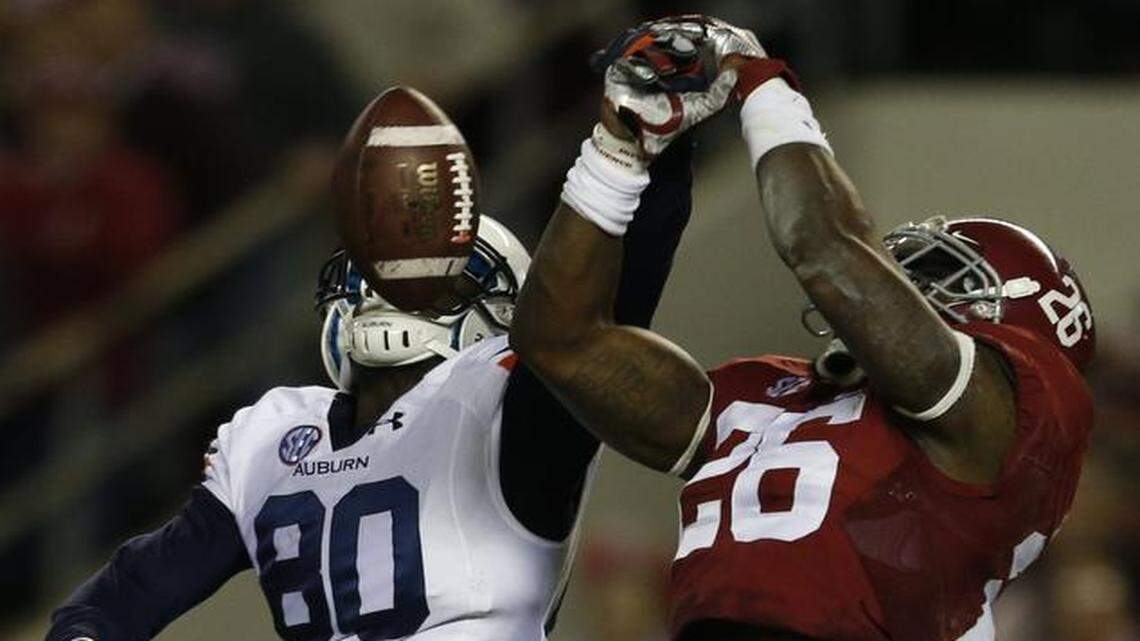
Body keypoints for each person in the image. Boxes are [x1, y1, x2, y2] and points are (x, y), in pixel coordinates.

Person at [512, 16, 1095, 641]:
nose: (900, 287)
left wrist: (761, 81)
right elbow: (558, 341)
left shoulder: (1012, 420)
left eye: (932, 279)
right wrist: (619, 145)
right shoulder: (767, 396)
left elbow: (824, 249)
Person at [43, 90, 697, 641]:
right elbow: (134, 587)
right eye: (374, 273)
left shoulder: (502, 405)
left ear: (505, 312)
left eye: (439, 281)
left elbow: (603, 314)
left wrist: (646, 152)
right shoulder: (272, 433)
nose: (395, 288)